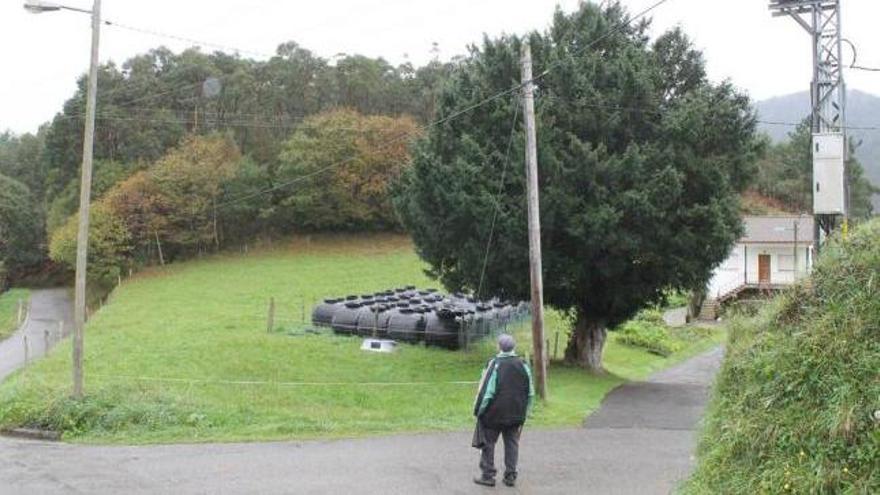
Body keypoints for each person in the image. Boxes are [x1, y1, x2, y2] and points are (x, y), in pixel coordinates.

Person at [472, 334, 535, 487]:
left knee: (488, 443)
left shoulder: (494, 364)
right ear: (513, 347)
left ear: (499, 346)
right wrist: (526, 412)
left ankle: (488, 475)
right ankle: (510, 476)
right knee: (512, 444)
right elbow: (530, 392)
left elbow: (487, 392)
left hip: (494, 414)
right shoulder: (523, 364)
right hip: (516, 414)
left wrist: (478, 410)